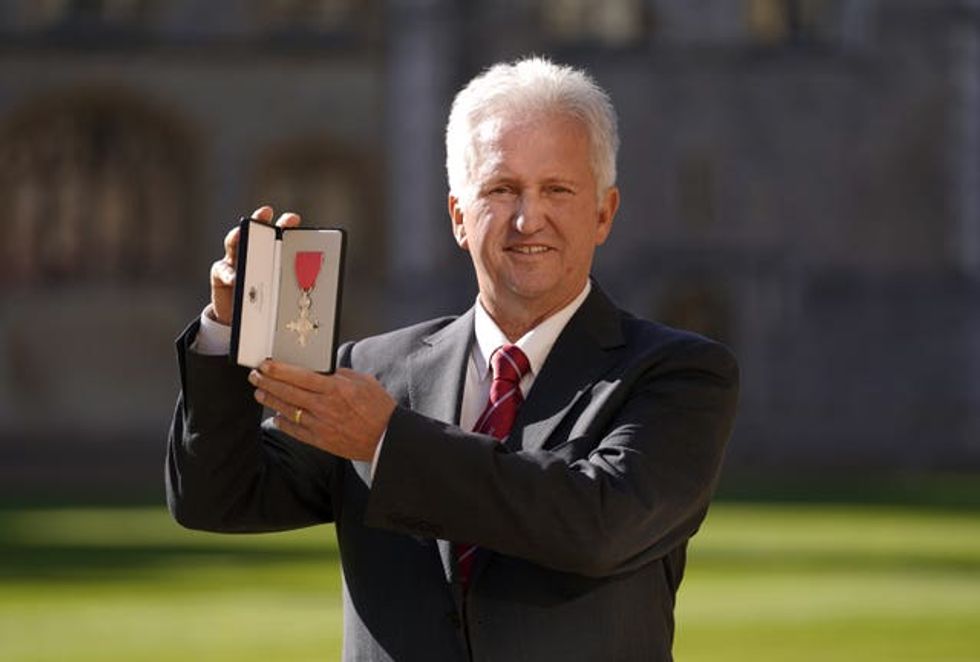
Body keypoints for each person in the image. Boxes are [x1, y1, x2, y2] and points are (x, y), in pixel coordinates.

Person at [167, 56, 739, 662]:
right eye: (500, 188)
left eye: (557, 190)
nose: (527, 218)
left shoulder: (680, 375)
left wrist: (388, 441)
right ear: (458, 216)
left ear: (604, 212)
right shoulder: (373, 370)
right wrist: (228, 331)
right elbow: (218, 497)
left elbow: (599, 524)